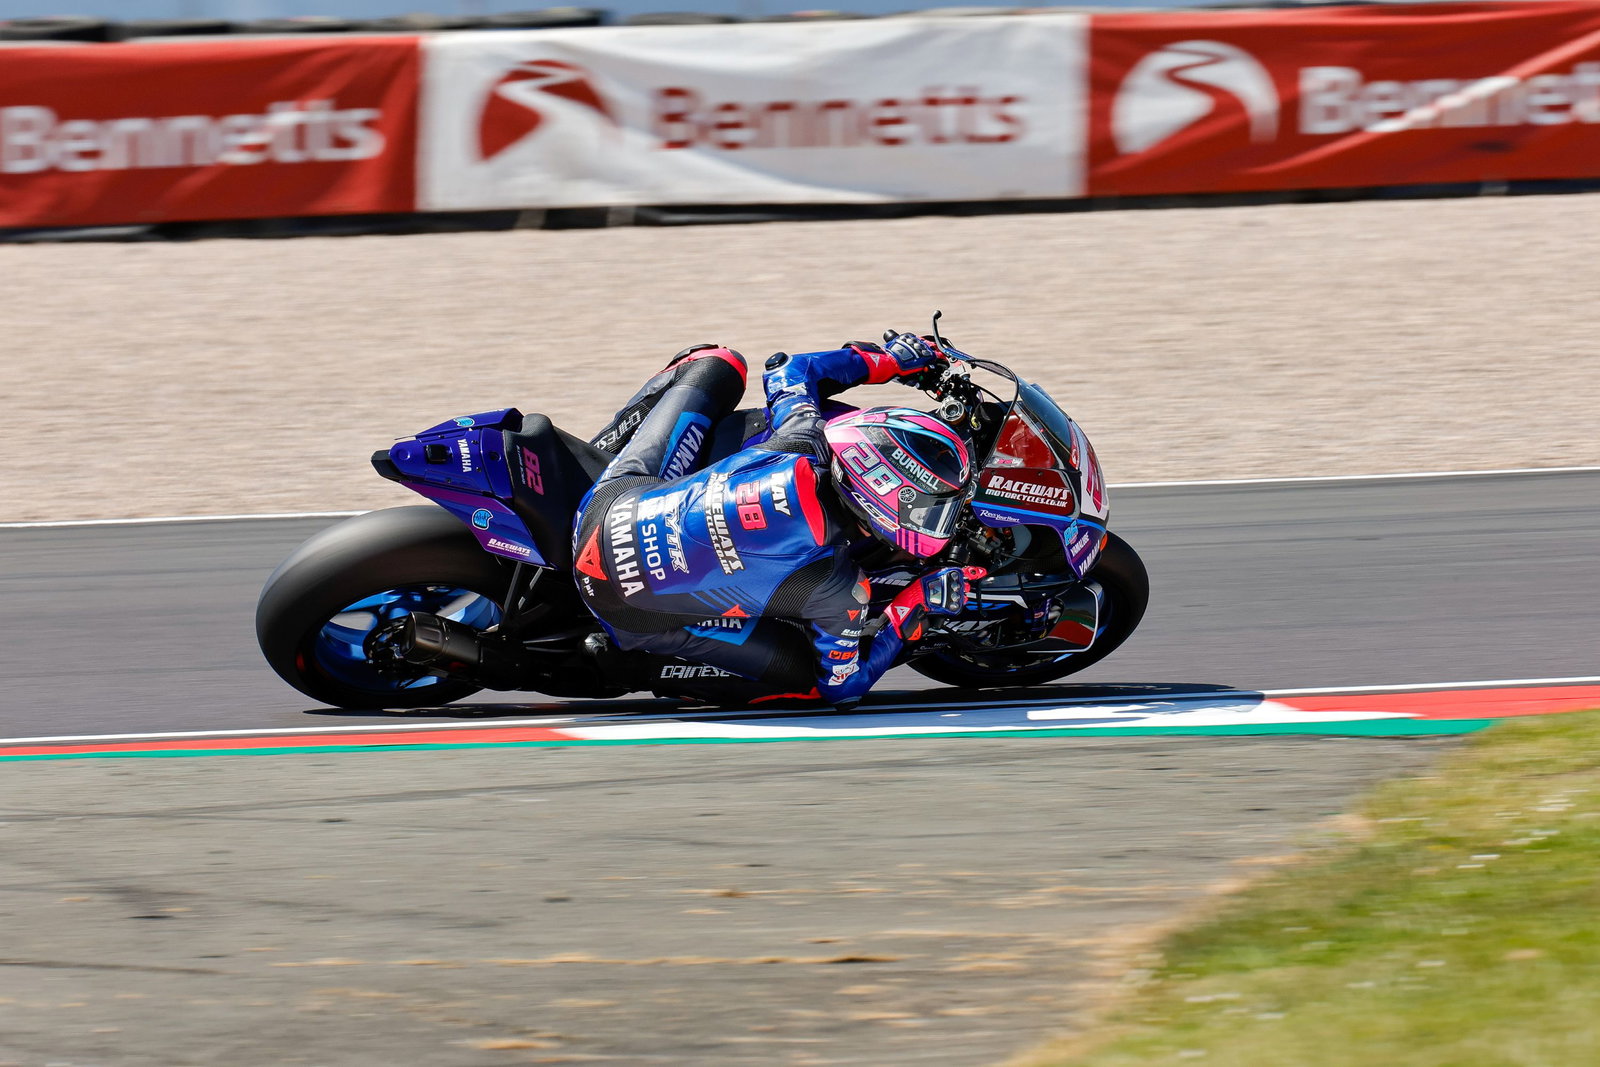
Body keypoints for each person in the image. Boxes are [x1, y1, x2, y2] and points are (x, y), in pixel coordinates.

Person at [572, 334, 984, 708]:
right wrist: (911, 606)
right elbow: (845, 687)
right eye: (929, 508)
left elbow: (789, 368)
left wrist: (889, 361)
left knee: (717, 363)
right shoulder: (836, 588)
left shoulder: (802, 438)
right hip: (624, 609)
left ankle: (584, 469)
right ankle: (634, 666)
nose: (935, 519)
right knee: (808, 683)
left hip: (603, 510)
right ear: (880, 502)